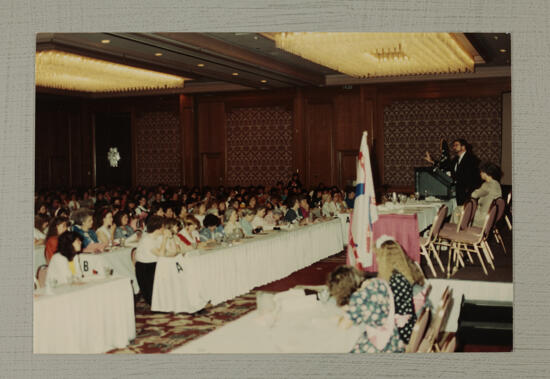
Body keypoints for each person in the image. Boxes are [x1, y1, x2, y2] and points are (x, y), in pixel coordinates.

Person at [327, 266, 405, 353]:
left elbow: (344, 326)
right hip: (394, 339)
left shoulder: (359, 299)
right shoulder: (377, 281)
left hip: (382, 347)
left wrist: (338, 319)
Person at [134, 215, 172, 305]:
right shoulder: (147, 239)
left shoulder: (158, 237)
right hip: (144, 268)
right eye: (163, 227)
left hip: (155, 264)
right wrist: (165, 238)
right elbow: (161, 254)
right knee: (154, 299)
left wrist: (170, 238)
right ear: (158, 228)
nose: (164, 229)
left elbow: (170, 251)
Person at [470, 162, 503, 227]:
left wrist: (476, 190)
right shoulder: (496, 184)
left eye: (481, 172)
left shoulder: (487, 185)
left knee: (458, 210)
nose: (480, 174)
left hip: (483, 217)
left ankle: (456, 233)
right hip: (492, 217)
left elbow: (473, 195)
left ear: (485, 173)